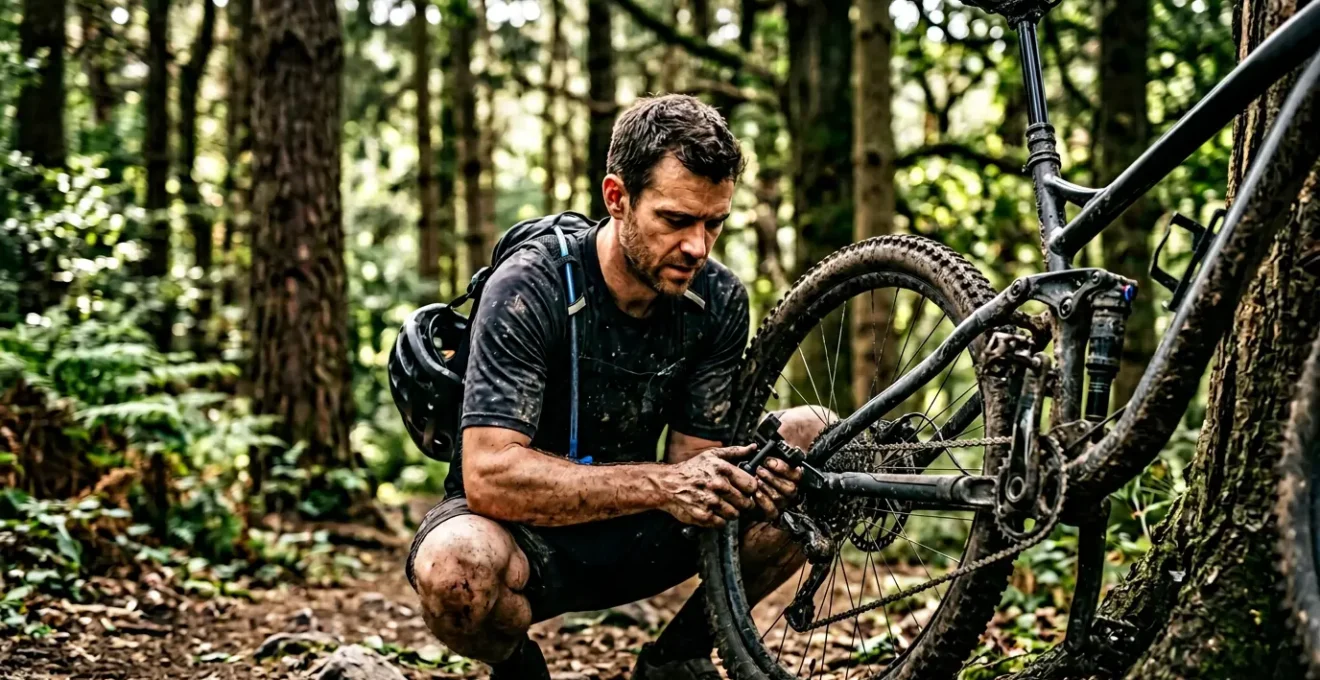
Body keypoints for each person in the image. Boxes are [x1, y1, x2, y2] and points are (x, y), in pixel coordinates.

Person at [405, 94, 828, 679]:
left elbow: (696, 464)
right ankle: (516, 664)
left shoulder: (719, 298)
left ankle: (677, 657)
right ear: (617, 198)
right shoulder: (532, 285)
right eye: (676, 221)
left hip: (643, 527)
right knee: (454, 568)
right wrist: (664, 484)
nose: (698, 247)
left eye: (714, 223)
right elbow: (489, 478)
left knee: (812, 438)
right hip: (522, 535)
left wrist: (758, 484)